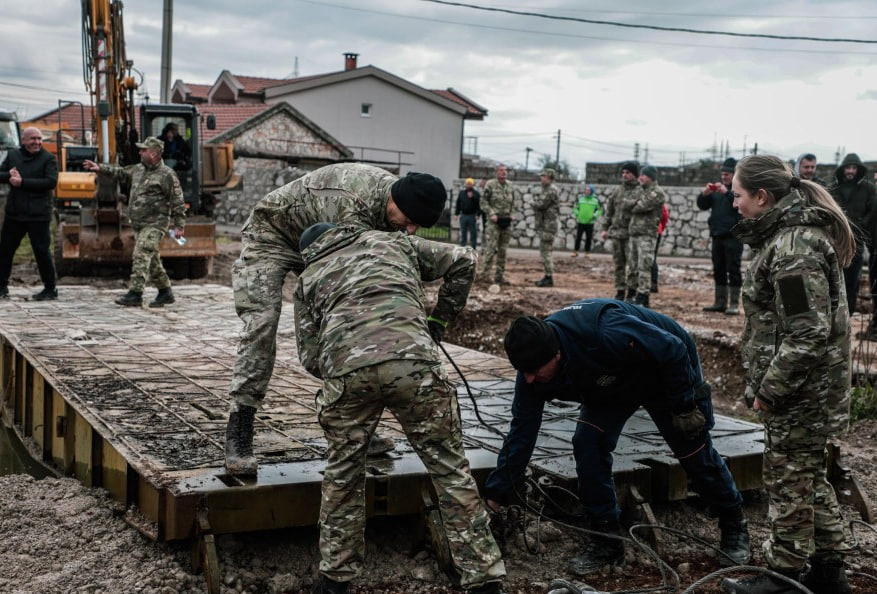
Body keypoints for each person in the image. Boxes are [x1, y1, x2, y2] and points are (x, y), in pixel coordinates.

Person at [294, 223, 506, 594]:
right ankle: (484, 578)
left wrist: (348, 359)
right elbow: (464, 259)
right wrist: (438, 319)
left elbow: (310, 358)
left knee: (343, 474)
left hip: (348, 374)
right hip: (415, 365)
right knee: (449, 469)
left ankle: (334, 578)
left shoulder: (309, 276)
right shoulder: (394, 242)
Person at [483, 300, 750, 576]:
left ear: (557, 354)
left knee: (691, 446)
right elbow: (521, 432)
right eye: (523, 372)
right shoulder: (532, 368)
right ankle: (606, 541)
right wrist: (496, 490)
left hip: (663, 367)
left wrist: (684, 406)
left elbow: (673, 348)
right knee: (588, 443)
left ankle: (733, 522)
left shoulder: (605, 331)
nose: (528, 379)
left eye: (535, 371)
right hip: (611, 381)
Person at [223, 164, 447, 476]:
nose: (410, 231)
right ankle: (240, 427)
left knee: (353, 325)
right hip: (271, 237)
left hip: (320, 239)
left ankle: (355, 425)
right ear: (395, 202)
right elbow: (346, 276)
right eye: (409, 222)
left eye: (417, 226)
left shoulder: (392, 210)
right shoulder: (351, 205)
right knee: (262, 324)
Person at [720, 155, 854, 594]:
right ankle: (829, 572)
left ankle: (784, 576)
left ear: (762, 197)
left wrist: (770, 390)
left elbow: (807, 334)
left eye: (738, 194)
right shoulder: (785, 239)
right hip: (805, 389)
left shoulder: (793, 247)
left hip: (800, 392)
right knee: (809, 478)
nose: (733, 202)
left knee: (788, 480)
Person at [83, 137, 186, 308]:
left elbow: (178, 201)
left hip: (155, 224)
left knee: (141, 253)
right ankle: (165, 291)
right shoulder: (138, 169)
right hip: (139, 223)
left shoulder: (167, 175)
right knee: (151, 259)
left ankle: (135, 293)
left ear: (153, 153)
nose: (140, 152)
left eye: (143, 150)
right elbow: (121, 172)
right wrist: (100, 168)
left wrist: (179, 226)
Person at [0, 127, 59, 301]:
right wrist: (8, 175)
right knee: (5, 250)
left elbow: (50, 182)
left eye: (39, 139)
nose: (37, 142)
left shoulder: (48, 158)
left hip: (38, 214)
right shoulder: (13, 156)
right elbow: (1, 175)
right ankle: (1, 286)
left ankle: (50, 289)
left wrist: (22, 182)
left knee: (42, 251)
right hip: (15, 213)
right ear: (23, 141)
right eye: (32, 139)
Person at [829, 153, 876, 316]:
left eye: (853, 168)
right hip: (836, 241)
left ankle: (847, 314)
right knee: (834, 278)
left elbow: (872, 210)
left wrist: (860, 225)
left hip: (857, 241)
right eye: (848, 168)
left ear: (858, 170)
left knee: (852, 281)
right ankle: (833, 314)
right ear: (843, 169)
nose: (850, 171)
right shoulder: (833, 188)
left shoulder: (868, 189)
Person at [697, 157, 743, 315]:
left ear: (734, 174)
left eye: (728, 174)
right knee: (719, 269)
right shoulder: (717, 191)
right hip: (717, 235)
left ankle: (734, 304)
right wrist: (704, 195)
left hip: (733, 236)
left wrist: (728, 193)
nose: (724, 177)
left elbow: (741, 206)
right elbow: (702, 206)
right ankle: (720, 302)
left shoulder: (740, 190)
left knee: (733, 269)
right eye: (723, 174)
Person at [600, 162, 640, 300]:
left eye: (628, 172)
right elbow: (610, 211)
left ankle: (632, 291)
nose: (625, 175)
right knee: (618, 264)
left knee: (633, 265)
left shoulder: (640, 191)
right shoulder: (617, 191)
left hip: (631, 235)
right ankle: (620, 290)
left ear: (635, 174)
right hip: (617, 233)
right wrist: (605, 228)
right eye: (623, 173)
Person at [626, 165, 665, 307]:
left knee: (644, 266)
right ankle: (630, 293)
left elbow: (639, 206)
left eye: (644, 175)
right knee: (632, 266)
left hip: (647, 235)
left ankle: (643, 297)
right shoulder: (640, 190)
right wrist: (633, 203)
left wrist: (633, 204)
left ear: (651, 177)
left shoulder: (657, 192)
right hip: (635, 233)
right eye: (640, 175)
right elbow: (626, 204)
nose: (640, 178)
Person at [481, 164, 516, 284]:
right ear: (496, 172)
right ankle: (485, 275)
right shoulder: (490, 184)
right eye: (501, 170)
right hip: (494, 222)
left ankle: (499, 276)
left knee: (503, 250)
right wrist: (491, 213)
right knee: (491, 249)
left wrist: (512, 213)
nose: (504, 172)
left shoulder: (510, 185)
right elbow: (483, 202)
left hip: (506, 221)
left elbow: (514, 202)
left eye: (505, 170)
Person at [534, 168, 560, 287]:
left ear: (549, 177)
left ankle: (549, 277)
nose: (541, 178)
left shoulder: (551, 190)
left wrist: (533, 203)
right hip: (546, 224)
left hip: (548, 225)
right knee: (544, 251)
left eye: (543, 176)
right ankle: (547, 276)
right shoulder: (548, 189)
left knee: (545, 251)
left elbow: (541, 205)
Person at [570, 184, 601, 258]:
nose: (587, 191)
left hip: (590, 223)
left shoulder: (595, 200)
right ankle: (575, 251)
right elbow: (575, 207)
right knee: (578, 237)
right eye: (586, 190)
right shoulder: (581, 199)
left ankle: (587, 252)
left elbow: (600, 209)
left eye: (588, 190)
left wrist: (595, 215)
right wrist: (578, 214)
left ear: (591, 191)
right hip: (581, 221)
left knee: (588, 238)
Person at [455, 177, 481, 249]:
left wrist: (478, 214)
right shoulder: (462, 193)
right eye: (467, 184)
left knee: (473, 233)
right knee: (463, 233)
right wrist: (456, 214)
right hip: (463, 215)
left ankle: (473, 248)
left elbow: (479, 205)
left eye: (470, 184)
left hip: (472, 216)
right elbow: (458, 204)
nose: (469, 185)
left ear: (473, 185)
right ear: (465, 185)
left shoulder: (476, 194)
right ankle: (463, 248)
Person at [651, 202, 669, 293]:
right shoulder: (660, 200)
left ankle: (651, 282)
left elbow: (665, 216)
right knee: (652, 257)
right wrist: (661, 228)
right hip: (657, 230)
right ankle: (653, 282)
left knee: (649, 257)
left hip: (652, 231)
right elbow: (665, 217)